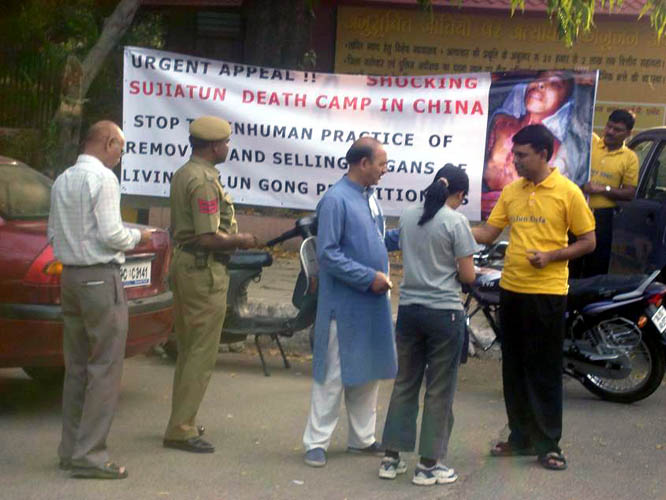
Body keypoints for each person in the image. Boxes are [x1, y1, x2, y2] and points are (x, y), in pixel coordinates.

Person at [472, 124, 596, 471]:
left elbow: (588, 241)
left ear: (544, 153)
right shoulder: (512, 191)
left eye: (522, 155)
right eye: (514, 154)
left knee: (543, 369)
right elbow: (489, 233)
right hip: (512, 290)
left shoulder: (567, 192)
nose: (515, 161)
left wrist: (552, 256)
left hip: (547, 293)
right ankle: (520, 438)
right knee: (513, 368)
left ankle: (549, 444)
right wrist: (448, 225)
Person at [48, 120, 151, 480]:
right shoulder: (104, 179)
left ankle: (70, 449)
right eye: (120, 147)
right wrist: (139, 237)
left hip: (70, 278)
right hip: (100, 278)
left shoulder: (62, 179)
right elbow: (112, 235)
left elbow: (52, 232)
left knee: (76, 367)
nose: (121, 155)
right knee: (105, 367)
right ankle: (90, 455)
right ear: (108, 143)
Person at [163, 116, 258, 453]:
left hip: (189, 265)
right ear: (215, 146)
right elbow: (207, 236)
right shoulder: (203, 181)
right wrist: (241, 240)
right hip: (203, 270)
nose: (228, 147)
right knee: (200, 353)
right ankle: (181, 429)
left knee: (190, 349)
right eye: (226, 143)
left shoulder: (185, 172)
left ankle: (181, 420)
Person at [378, 166, 477, 486]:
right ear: (459, 194)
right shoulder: (456, 222)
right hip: (444, 314)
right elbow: (468, 276)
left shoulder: (408, 215)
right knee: (439, 389)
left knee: (405, 383)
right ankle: (428, 465)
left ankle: (391, 458)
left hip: (409, 309)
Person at [302, 137, 397, 468]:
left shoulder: (369, 197)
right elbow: (328, 254)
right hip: (343, 305)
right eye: (381, 164)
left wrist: (412, 230)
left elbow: (377, 239)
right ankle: (316, 442)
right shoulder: (335, 200)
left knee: (368, 371)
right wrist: (367, 277)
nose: (385, 170)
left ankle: (362, 439)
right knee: (333, 375)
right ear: (363, 163)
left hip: (371, 301)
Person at [482, 70, 594, 218]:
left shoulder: (558, 151)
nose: (540, 84)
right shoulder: (499, 123)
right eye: (538, 78)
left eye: (555, 84)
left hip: (525, 219)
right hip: (487, 218)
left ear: (565, 101)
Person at [579, 109, 639, 277]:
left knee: (596, 267)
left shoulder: (629, 158)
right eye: (609, 126)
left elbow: (629, 193)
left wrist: (602, 189)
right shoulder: (591, 143)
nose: (610, 132)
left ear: (628, 133)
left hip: (602, 217)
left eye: (617, 130)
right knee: (571, 263)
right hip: (576, 210)